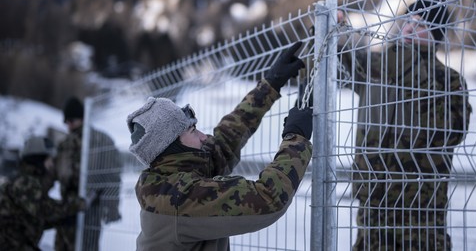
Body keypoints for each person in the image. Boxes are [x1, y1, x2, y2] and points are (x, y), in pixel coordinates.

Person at [127, 41, 313, 251]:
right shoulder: (178, 198)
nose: (204, 136)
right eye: (192, 131)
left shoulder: (176, 175)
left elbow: (226, 140)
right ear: (171, 147)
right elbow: (267, 197)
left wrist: (270, 85)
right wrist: (295, 137)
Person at [340, 0, 472, 250]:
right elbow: (336, 63)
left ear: (436, 34)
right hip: (372, 202)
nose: (409, 28)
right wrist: (336, 29)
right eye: (407, 22)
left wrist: (409, 69)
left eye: (420, 24)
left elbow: (452, 131)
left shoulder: (448, 79)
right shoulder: (378, 66)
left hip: (418, 209)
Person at [55, 96, 122, 251]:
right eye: (66, 122)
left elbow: (112, 177)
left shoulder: (102, 141)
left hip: (91, 210)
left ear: (82, 118)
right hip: (66, 209)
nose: (69, 126)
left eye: (71, 120)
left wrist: (111, 208)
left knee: (87, 246)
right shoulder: (64, 144)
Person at [0, 136, 86, 250]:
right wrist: (79, 204)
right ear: (39, 159)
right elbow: (44, 209)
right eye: (49, 159)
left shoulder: (22, 178)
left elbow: (29, 218)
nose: (51, 164)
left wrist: (59, 220)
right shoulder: (26, 182)